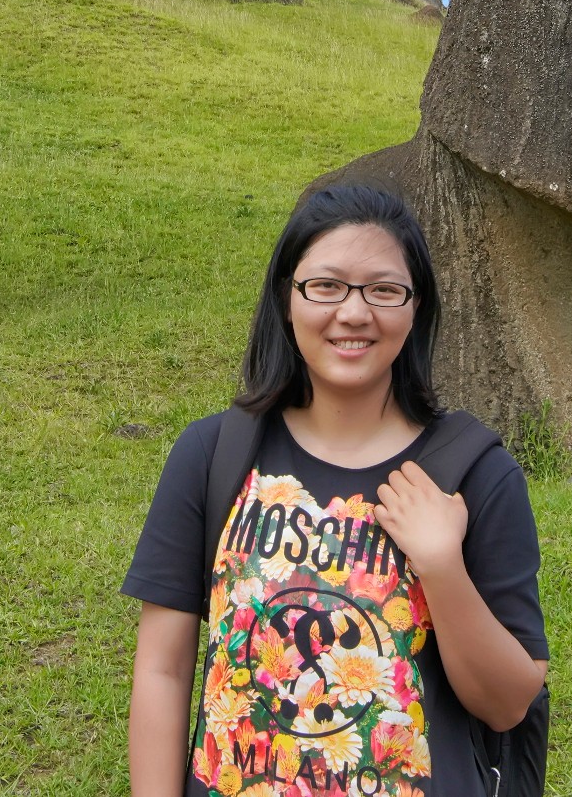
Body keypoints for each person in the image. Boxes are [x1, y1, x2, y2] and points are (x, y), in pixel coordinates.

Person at [122, 184, 548, 796]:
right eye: (325, 286)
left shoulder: (476, 475)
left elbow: (508, 705)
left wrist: (441, 567)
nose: (354, 313)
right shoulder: (212, 455)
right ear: (287, 300)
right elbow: (162, 671)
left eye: (383, 290)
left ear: (415, 308)